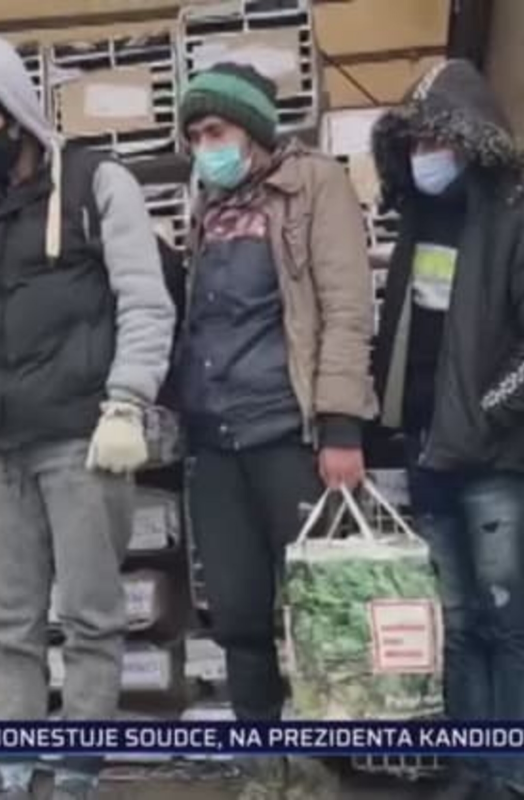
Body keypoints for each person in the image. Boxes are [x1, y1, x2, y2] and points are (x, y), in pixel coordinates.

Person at [0, 35, 175, 800]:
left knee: (92, 617)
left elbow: (145, 300)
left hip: (81, 437)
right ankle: (11, 768)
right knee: (3, 623)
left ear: (14, 114)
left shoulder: (99, 183)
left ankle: (76, 769)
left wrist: (128, 402)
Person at [371, 59, 524, 799]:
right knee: (454, 624)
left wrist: (485, 413)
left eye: (436, 138)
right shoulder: (421, 221)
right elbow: (401, 336)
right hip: (427, 453)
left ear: (472, 137)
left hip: (495, 458)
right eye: (415, 140)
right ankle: (471, 765)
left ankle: (511, 776)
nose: (424, 153)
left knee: (508, 619)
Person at [178, 63, 375, 799]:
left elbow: (347, 306)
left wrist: (340, 427)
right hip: (215, 439)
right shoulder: (207, 205)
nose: (206, 146)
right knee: (235, 608)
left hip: (288, 432)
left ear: (254, 131)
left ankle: (324, 764)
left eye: (216, 130)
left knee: (317, 608)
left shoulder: (315, 185)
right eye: (195, 134)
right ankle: (263, 761)